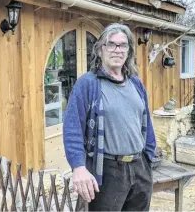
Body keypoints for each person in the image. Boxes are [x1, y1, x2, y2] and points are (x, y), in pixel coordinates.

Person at [63, 23, 156, 211]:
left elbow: (145, 122)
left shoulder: (136, 84)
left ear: (128, 51)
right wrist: (78, 167)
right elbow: (72, 128)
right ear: (100, 50)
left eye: (122, 45)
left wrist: (148, 156)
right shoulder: (87, 84)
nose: (117, 50)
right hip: (107, 171)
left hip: (140, 168)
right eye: (111, 44)